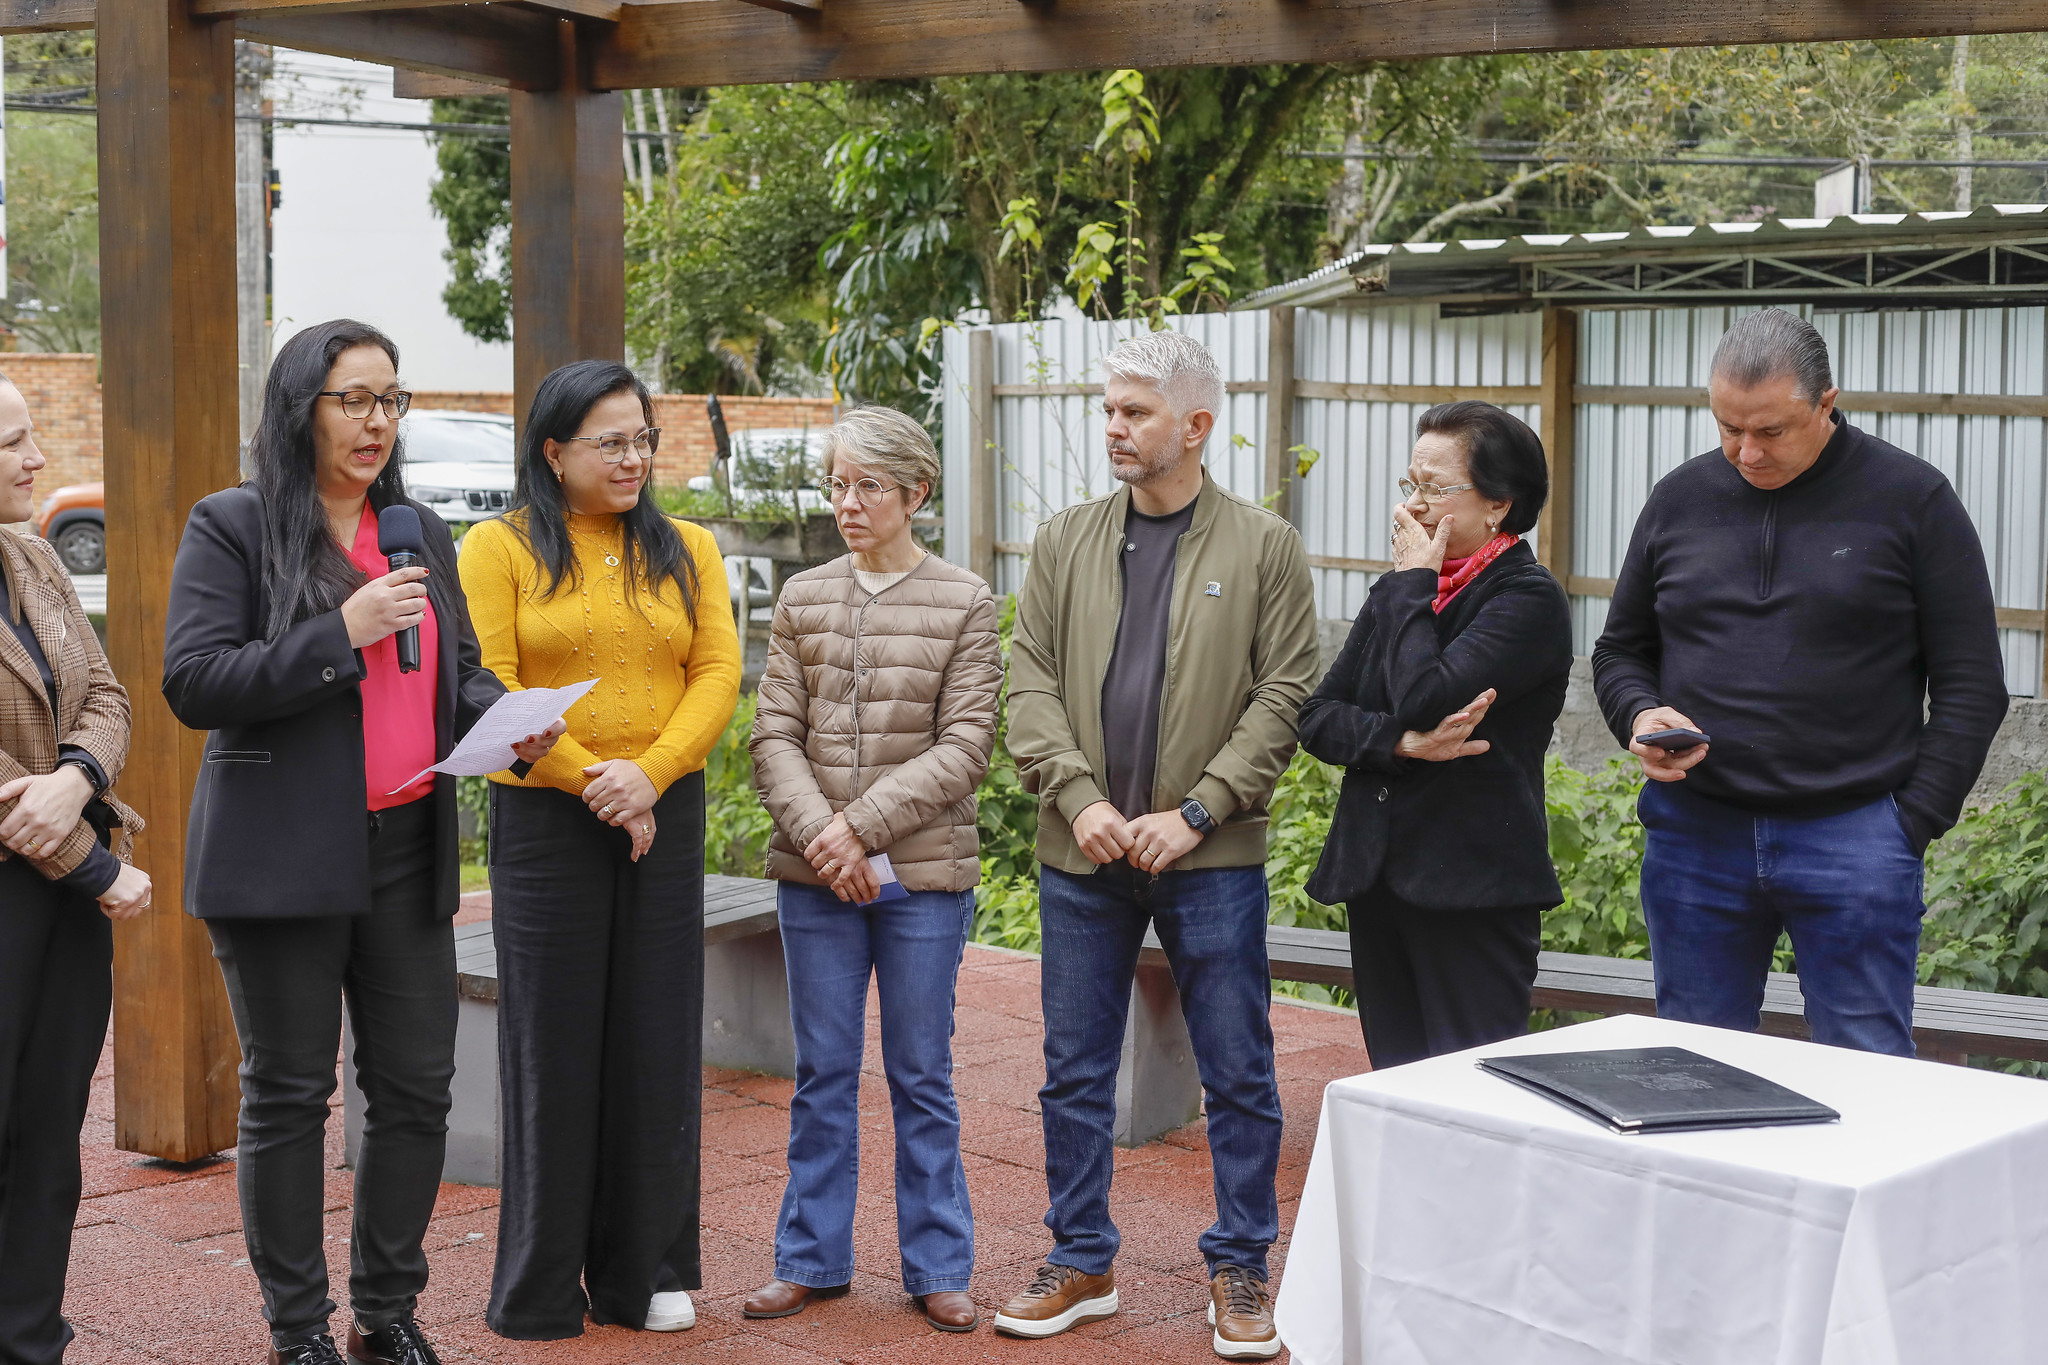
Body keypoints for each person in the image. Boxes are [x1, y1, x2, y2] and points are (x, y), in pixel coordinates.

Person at [163, 320, 562, 1365]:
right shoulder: (234, 524)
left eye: (391, 399)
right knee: (291, 1094)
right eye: (354, 399)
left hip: (406, 847)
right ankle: (297, 1330)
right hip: (281, 855)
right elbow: (195, 682)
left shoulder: (415, 530)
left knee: (417, 1090)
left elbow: (457, 671)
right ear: (301, 409)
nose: (377, 420)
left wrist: (509, 720)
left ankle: (385, 1313)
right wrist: (340, 632)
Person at [1000, 330, 1318, 1360]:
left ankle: (1239, 1266)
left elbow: (1285, 693)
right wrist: (1079, 799)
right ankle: (1080, 1259)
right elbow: (1028, 681)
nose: (1114, 428)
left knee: (1238, 1070)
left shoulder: (1263, 545)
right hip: (1082, 854)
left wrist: (1197, 813)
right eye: (1108, 409)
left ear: (1196, 424)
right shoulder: (1065, 539)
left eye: (1134, 412)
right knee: (1071, 1071)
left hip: (1208, 858)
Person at [1593, 308, 2009, 1057]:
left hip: (1855, 835)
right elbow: (1620, 650)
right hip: (1696, 837)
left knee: (1866, 1068)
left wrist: (1910, 821)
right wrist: (1640, 713)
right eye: (1728, 427)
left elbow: (1973, 682)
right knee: (1694, 1069)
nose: (1746, 452)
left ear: (1826, 403)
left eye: (1771, 431)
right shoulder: (1679, 497)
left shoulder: (1913, 499)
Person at [459, 360, 741, 1341]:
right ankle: (541, 1281)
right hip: (546, 819)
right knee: (554, 1043)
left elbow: (716, 672)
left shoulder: (688, 546)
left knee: (657, 1038)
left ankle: (646, 1268)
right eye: (609, 442)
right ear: (553, 451)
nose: (633, 459)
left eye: (642, 439)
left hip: (663, 808)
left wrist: (649, 776)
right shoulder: (496, 548)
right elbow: (490, 684)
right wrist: (594, 780)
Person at [745, 407, 1002, 1333]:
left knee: (921, 1072)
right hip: (816, 878)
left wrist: (857, 828)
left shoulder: (965, 600)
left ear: (916, 492)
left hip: (922, 881)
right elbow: (773, 735)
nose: (847, 503)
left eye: (869, 486)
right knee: (822, 1071)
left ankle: (938, 1264)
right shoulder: (805, 596)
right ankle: (809, 1258)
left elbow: (966, 746)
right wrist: (826, 837)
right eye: (837, 484)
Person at [1297, 402, 1571, 1067]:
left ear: (1500, 503)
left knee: (1469, 1086)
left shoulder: (1525, 599)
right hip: (1377, 876)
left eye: (1435, 488)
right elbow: (1317, 716)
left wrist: (1414, 583)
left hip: (1471, 886)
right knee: (1396, 1082)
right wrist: (1399, 744)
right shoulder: (1402, 591)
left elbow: (1424, 696)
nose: (1414, 505)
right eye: (1410, 484)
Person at [0, 371, 151, 1365]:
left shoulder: (34, 553)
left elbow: (107, 694)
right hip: (28, 882)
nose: (38, 458)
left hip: (53, 900)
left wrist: (76, 777)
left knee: (50, 1133)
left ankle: (30, 1340)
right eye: (13, 442)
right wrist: (92, 864)